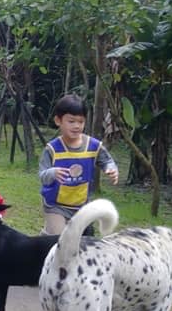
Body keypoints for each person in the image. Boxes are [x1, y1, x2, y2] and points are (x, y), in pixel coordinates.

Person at [39, 94, 118, 234]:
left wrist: (111, 169)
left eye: (81, 122)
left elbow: (106, 160)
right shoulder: (52, 149)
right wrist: (53, 173)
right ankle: (46, 240)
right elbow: (42, 175)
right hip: (55, 206)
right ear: (58, 120)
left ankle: (46, 237)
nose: (76, 126)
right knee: (58, 241)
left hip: (82, 206)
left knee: (84, 243)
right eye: (71, 121)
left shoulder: (93, 145)